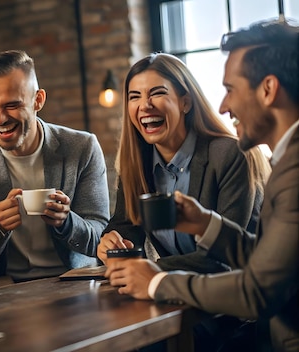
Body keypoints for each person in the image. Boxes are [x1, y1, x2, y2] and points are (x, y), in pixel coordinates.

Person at [105, 20, 299, 351]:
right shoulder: (286, 163)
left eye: (231, 89)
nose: (224, 106)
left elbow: (257, 291)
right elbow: (266, 261)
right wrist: (207, 224)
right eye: (135, 96)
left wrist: (157, 281)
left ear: (268, 89)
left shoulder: (290, 172)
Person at [97, 52, 270, 274]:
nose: (145, 105)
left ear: (185, 102)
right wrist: (110, 245)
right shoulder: (137, 163)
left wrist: (150, 269)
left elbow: (225, 255)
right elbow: (125, 227)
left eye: (157, 93)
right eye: (134, 96)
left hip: (238, 293)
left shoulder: (231, 155)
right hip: (176, 292)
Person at [0, 50, 110, 281]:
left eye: (11, 105)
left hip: (74, 284)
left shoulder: (82, 147)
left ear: (38, 100)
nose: (0, 118)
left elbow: (101, 239)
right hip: (2, 294)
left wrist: (67, 222)